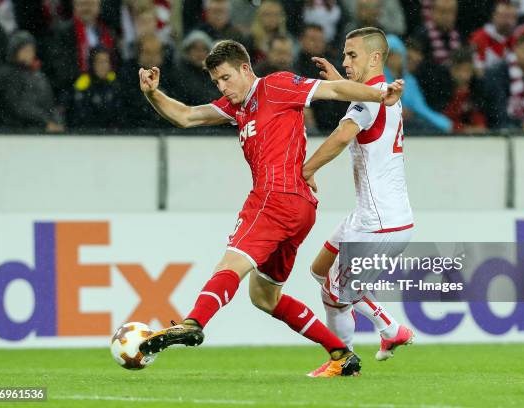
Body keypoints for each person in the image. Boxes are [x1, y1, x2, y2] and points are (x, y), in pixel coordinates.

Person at [136, 39, 403, 377]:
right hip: (300, 207)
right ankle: (340, 353)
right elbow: (186, 116)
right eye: (216, 81)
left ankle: (193, 322)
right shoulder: (237, 107)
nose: (222, 87)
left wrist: (380, 95)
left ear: (245, 69)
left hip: (274, 197)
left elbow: (333, 90)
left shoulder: (276, 86)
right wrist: (152, 94)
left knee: (231, 262)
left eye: (226, 77)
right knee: (264, 297)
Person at [302, 27, 414, 361]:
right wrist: (338, 79)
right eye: (344, 55)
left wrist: (306, 170)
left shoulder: (376, 96)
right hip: (371, 215)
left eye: (352, 55)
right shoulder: (378, 94)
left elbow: (341, 135)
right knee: (321, 271)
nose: (345, 60)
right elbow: (361, 104)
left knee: (334, 295)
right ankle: (391, 330)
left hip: (379, 223)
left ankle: (343, 361)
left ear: (375, 57)